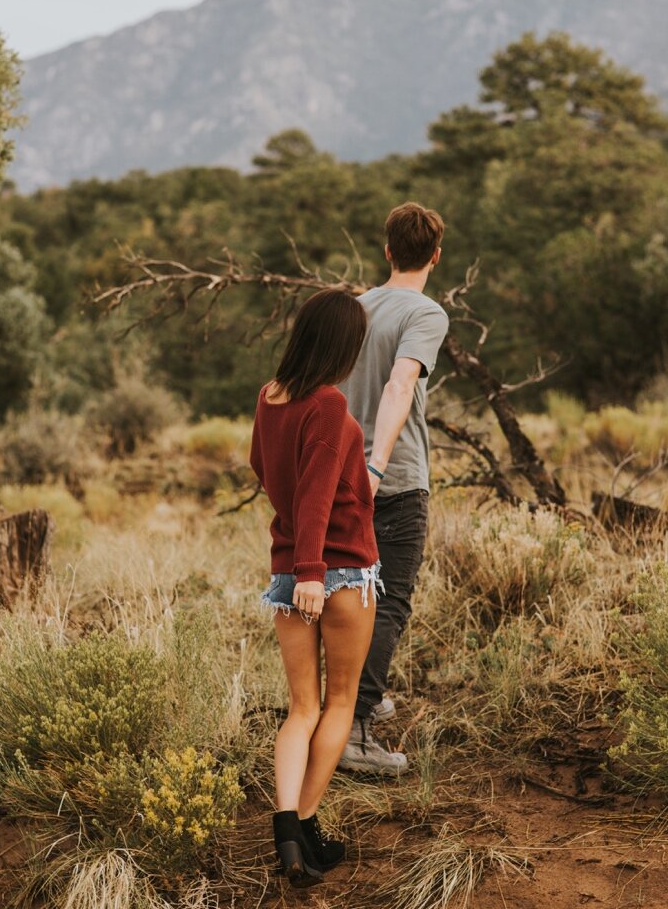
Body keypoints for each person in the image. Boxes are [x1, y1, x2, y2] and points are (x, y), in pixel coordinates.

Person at [250, 288, 381, 887]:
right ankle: (304, 824)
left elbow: (262, 467)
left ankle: (289, 836)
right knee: (340, 704)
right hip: (338, 571)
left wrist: (296, 567)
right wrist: (313, 571)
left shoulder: (270, 396)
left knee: (301, 708)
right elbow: (319, 490)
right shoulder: (327, 403)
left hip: (286, 572)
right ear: (343, 345)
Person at [338, 202, 450, 776]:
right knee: (390, 602)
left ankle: (357, 701)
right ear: (434, 255)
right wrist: (377, 464)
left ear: (386, 251)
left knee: (353, 596)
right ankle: (354, 732)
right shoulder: (426, 313)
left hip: (339, 477)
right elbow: (401, 383)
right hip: (395, 479)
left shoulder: (357, 309)